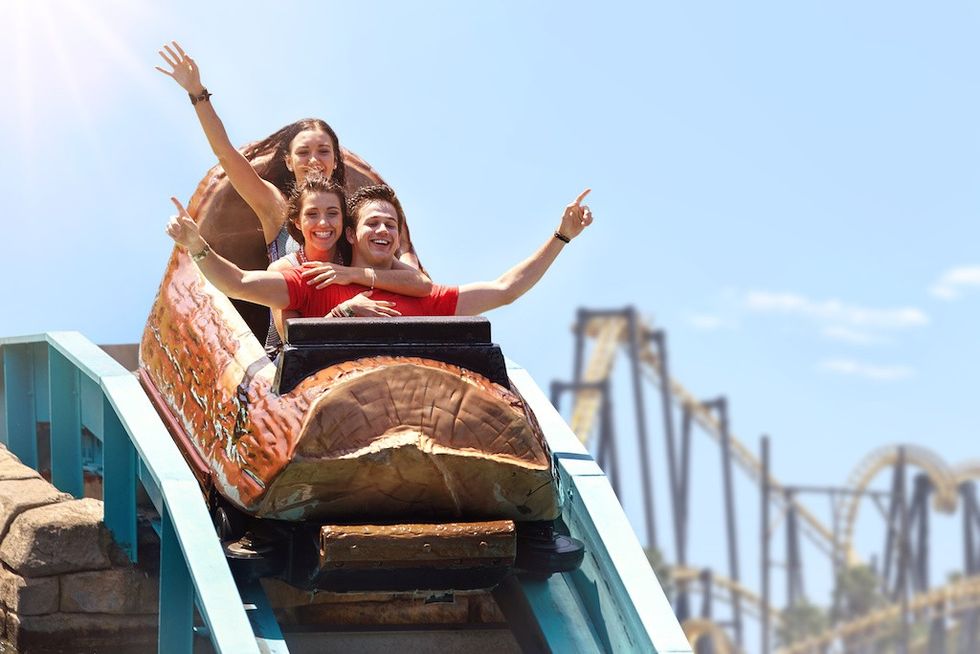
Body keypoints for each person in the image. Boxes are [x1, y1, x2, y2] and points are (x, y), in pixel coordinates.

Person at [166, 184, 594, 320]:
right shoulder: (315, 281)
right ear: (351, 235)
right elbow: (237, 284)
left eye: (392, 224)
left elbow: (504, 290)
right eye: (373, 222)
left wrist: (561, 237)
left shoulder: (421, 296)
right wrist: (196, 246)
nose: (383, 229)